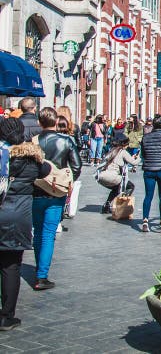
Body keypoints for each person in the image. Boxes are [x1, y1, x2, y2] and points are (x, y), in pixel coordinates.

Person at [0, 118, 51, 330]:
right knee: (11, 266)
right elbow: (47, 170)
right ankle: (6, 316)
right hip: (17, 218)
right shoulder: (32, 160)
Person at [33, 107, 81, 291]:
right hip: (56, 193)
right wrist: (67, 181)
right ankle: (42, 275)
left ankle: (39, 268)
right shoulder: (66, 141)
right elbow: (76, 166)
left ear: (40, 123)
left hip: (36, 190)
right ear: (56, 122)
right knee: (48, 233)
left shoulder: (33, 142)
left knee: (38, 231)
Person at [97, 136, 137, 214]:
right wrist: (139, 158)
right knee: (130, 186)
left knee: (116, 188)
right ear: (124, 144)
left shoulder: (112, 150)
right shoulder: (122, 151)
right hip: (111, 176)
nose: (128, 146)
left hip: (101, 176)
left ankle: (106, 206)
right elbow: (134, 163)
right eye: (127, 144)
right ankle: (122, 204)